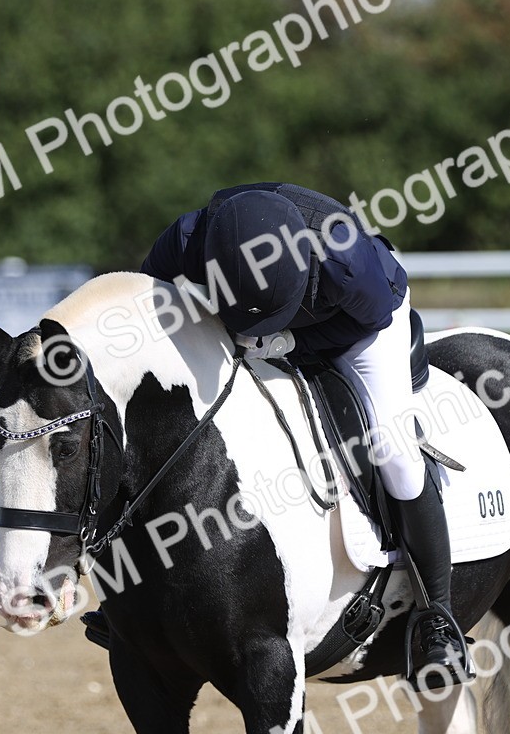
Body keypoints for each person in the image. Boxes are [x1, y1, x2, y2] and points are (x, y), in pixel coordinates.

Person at [139, 182, 466, 679]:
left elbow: (370, 317)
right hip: (252, 321)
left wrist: (288, 337)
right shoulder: (187, 239)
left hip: (361, 326)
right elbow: (149, 301)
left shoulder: (345, 258)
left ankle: (437, 616)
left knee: (394, 450)